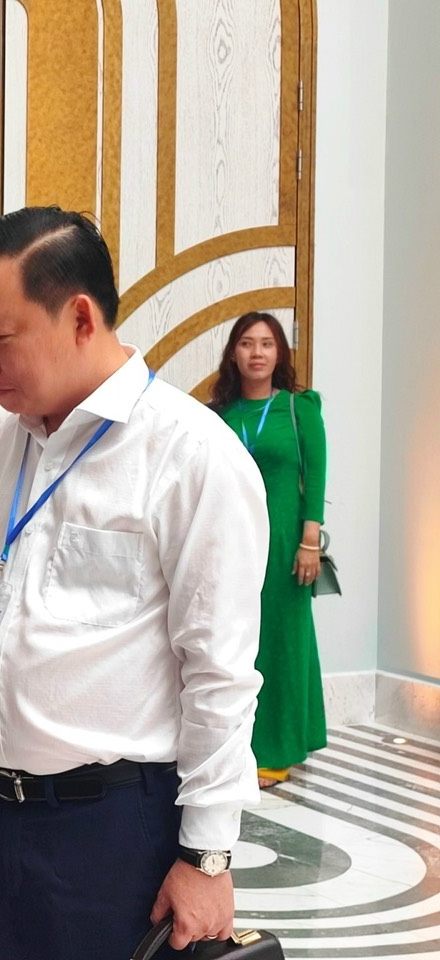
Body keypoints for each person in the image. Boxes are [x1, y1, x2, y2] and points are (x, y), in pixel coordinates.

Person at [0, 206, 270, 959]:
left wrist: (208, 857)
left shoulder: (191, 455)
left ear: (80, 317)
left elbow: (219, 673)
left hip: (106, 827)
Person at [209, 312, 328, 789]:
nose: (256, 352)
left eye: (266, 343)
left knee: (283, 643)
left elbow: (315, 479)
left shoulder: (300, 409)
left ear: (279, 353)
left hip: (284, 549)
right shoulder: (218, 415)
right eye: (246, 343)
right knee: (233, 646)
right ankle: (235, 745)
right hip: (230, 546)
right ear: (233, 354)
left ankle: (278, 749)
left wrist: (309, 542)